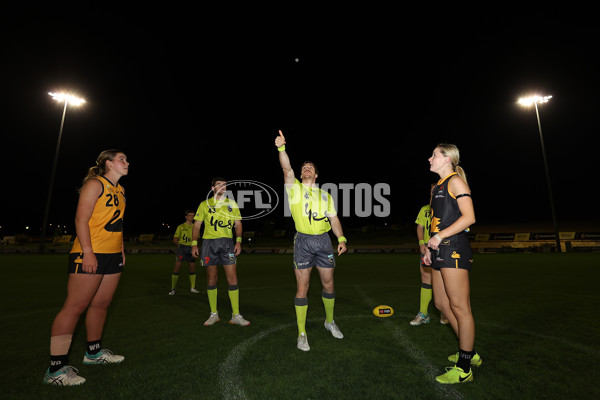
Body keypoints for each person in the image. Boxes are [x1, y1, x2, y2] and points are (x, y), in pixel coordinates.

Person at [43, 150, 129, 386]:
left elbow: (117, 223)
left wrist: (120, 250)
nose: (126, 162)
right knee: (74, 307)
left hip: (112, 255)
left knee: (101, 305)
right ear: (109, 163)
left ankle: (93, 353)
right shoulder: (94, 184)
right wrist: (88, 253)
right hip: (91, 253)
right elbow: (81, 220)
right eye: (122, 158)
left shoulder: (120, 190)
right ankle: (55, 370)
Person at [275, 130, 347, 351]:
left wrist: (341, 238)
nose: (306, 168)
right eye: (304, 167)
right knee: (302, 287)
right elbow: (286, 168)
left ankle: (329, 321)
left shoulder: (326, 196)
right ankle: (302, 333)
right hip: (303, 242)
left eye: (310, 167)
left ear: (316, 175)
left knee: (329, 284)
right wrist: (281, 148)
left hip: (324, 241)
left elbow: (334, 219)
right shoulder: (294, 188)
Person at [423, 143, 480, 384]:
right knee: (441, 303)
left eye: (434, 155)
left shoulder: (456, 182)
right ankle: (470, 352)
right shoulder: (437, 186)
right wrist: (428, 245)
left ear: (447, 159)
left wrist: (440, 237)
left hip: (454, 248)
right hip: (438, 249)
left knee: (460, 307)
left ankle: (465, 367)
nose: (429, 158)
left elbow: (470, 217)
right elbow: (436, 221)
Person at [191, 177, 250, 327]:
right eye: (219, 184)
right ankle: (213, 314)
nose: (223, 187)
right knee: (212, 278)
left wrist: (238, 241)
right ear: (212, 188)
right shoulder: (204, 204)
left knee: (232, 278)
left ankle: (236, 315)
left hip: (227, 243)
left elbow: (238, 223)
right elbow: (197, 226)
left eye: (224, 185)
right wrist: (194, 244)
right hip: (209, 244)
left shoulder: (232, 204)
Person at [410, 184, 449, 326]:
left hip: (444, 248)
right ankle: (423, 313)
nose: (433, 194)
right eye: (432, 191)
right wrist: (421, 243)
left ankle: (445, 311)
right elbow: (420, 227)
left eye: (436, 191)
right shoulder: (424, 209)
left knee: (445, 281)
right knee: (426, 278)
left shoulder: (447, 207)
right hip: (427, 249)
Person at [169, 210, 199, 295]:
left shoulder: (195, 227)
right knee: (176, 269)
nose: (192, 217)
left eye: (193, 215)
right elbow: (175, 239)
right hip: (182, 249)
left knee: (192, 269)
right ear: (186, 216)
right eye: (190, 215)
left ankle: (193, 288)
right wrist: (180, 245)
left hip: (191, 248)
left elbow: (197, 238)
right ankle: (173, 289)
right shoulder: (181, 226)